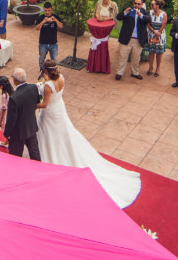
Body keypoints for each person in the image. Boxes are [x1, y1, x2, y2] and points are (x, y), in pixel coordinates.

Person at [35, 59, 142, 208]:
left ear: (46, 71)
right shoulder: (61, 78)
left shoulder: (47, 86)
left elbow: (44, 104)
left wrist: (32, 103)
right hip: (59, 109)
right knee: (64, 134)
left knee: (49, 134)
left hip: (50, 113)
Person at [3, 68, 42, 161]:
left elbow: (11, 119)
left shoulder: (14, 98)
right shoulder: (33, 87)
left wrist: (7, 134)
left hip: (18, 132)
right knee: (35, 154)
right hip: (31, 126)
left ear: (14, 80)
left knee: (15, 157)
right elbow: (36, 103)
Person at [115, 0, 150, 81]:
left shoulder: (145, 12)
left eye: (138, 4)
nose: (136, 5)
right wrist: (125, 13)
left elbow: (149, 19)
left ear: (142, 4)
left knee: (136, 58)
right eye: (135, 3)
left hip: (138, 39)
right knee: (122, 56)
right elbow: (118, 17)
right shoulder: (128, 10)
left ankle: (135, 72)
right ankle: (119, 73)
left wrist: (140, 15)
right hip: (127, 38)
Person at [144, 0, 171, 78]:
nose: (151, 6)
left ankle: (158, 68)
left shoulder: (163, 14)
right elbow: (148, 23)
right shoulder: (149, 13)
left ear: (157, 6)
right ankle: (150, 67)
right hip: (151, 33)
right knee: (151, 51)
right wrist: (153, 32)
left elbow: (163, 25)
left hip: (160, 34)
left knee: (158, 53)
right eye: (151, 5)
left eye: (153, 5)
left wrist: (158, 33)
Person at [35, 2, 63, 74]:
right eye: (45, 10)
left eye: (49, 10)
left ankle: (54, 72)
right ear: (44, 9)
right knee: (41, 58)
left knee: (54, 59)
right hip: (43, 43)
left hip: (53, 43)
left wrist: (55, 20)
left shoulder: (55, 17)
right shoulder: (41, 17)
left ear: (51, 9)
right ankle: (42, 70)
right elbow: (37, 28)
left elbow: (61, 26)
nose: (47, 12)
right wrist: (43, 21)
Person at [0, 75, 13, 148]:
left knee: (5, 127)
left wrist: (1, 120)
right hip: (11, 111)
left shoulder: (4, 95)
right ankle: (7, 141)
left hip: (5, 113)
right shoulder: (12, 90)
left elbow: (3, 108)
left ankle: (7, 141)